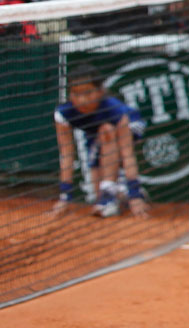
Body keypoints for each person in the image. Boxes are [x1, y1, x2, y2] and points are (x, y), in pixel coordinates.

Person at [52, 63, 148, 219]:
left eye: (88, 93)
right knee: (98, 197)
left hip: (130, 125)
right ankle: (120, 193)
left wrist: (135, 194)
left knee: (107, 131)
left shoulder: (115, 110)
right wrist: (65, 197)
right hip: (96, 133)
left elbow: (127, 154)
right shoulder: (63, 114)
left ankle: (116, 190)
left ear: (101, 91)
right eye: (76, 94)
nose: (82, 99)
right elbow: (66, 155)